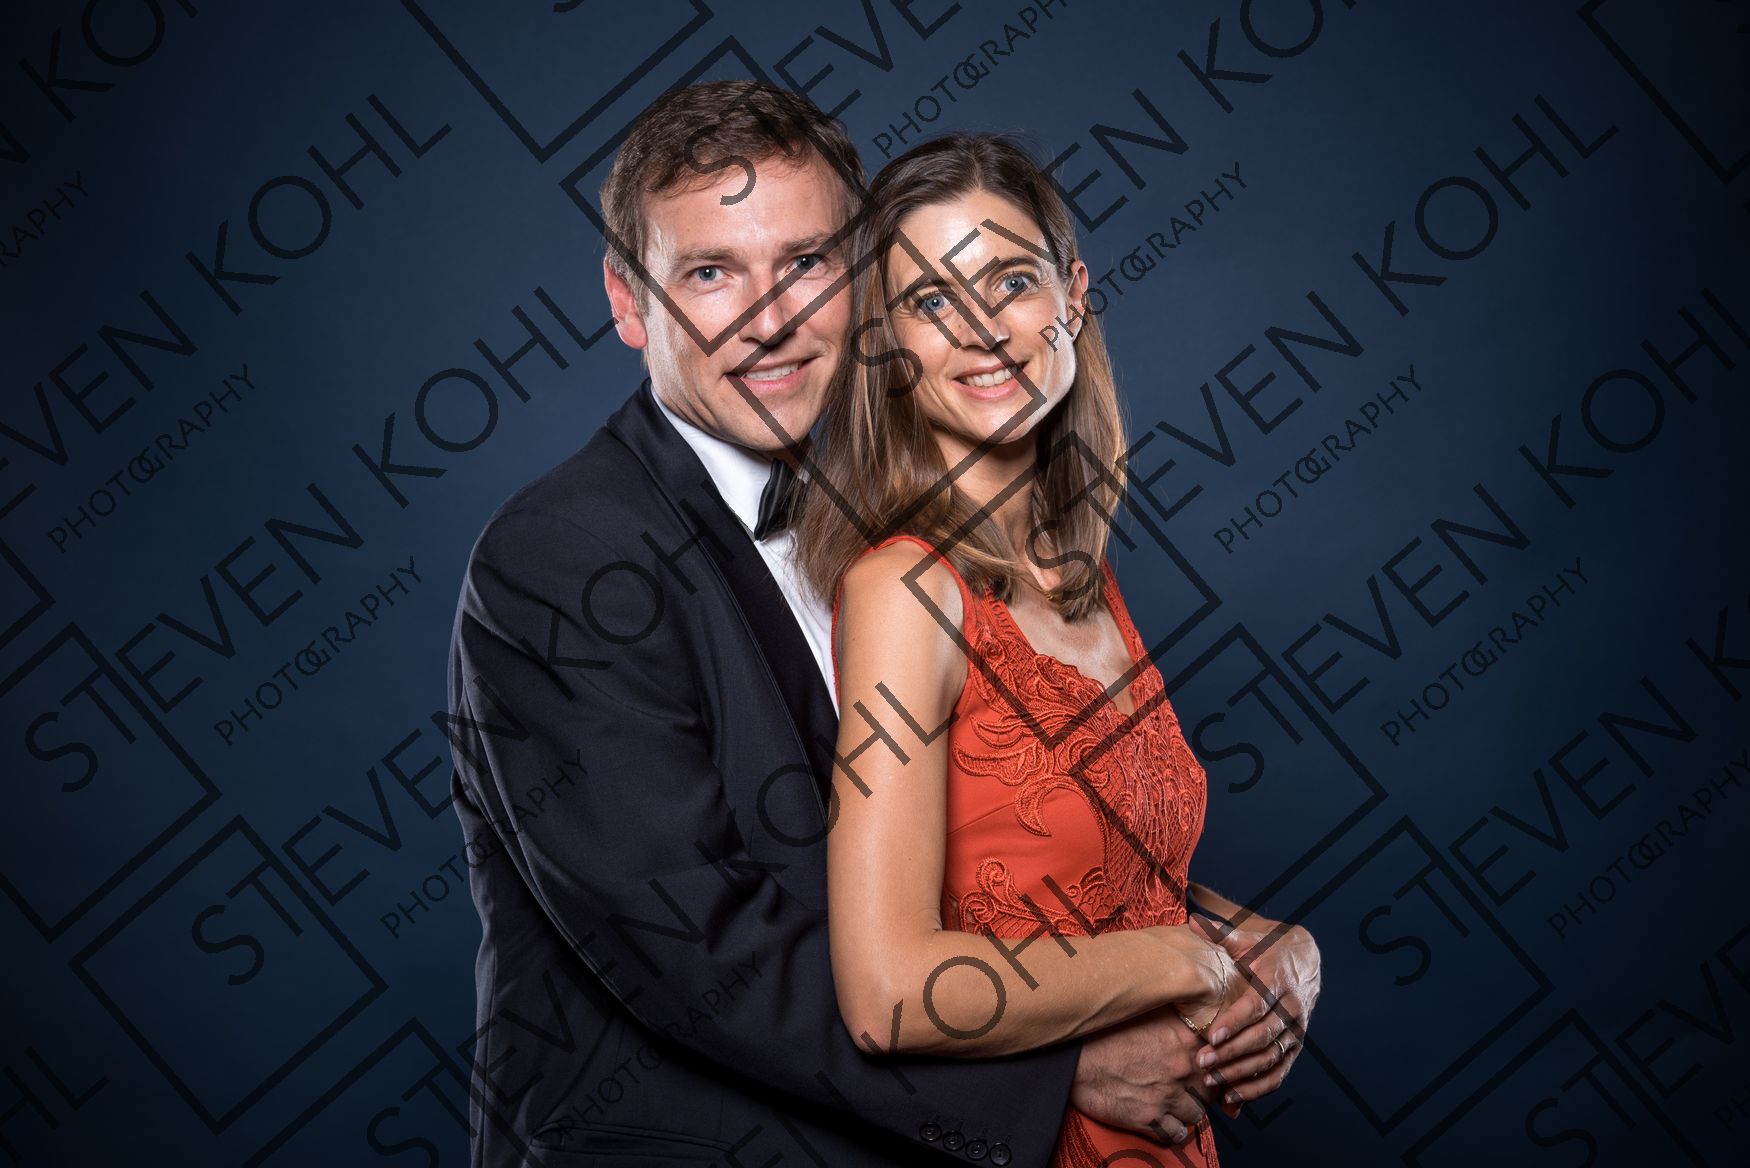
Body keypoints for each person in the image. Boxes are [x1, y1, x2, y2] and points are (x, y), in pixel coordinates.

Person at [446, 80, 1312, 1167]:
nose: (768, 317)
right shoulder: (564, 558)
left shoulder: (911, 520)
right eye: (710, 273)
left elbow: (1010, 841)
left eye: (806, 262)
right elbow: (704, 951)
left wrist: (1257, 945)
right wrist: (1059, 1068)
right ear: (628, 302)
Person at [793, 133, 1322, 1167]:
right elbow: (887, 992)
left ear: (1071, 297)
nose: (983, 329)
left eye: (1012, 281)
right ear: (887, 344)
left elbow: (1098, 874)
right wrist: (1187, 960)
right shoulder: (904, 591)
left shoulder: (1080, 575)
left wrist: (1278, 945)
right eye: (932, 300)